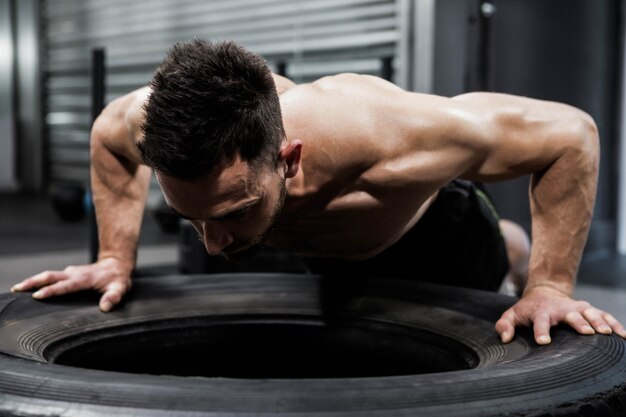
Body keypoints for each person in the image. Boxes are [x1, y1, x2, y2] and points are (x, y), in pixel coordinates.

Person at [12, 40, 626, 346]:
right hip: (310, 246)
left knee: (505, 253)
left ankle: (518, 256)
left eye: (232, 212)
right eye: (191, 220)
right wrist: (116, 257)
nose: (215, 243)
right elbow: (106, 140)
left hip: (430, 237)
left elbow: (570, 136)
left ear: (289, 160)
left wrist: (550, 286)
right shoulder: (155, 124)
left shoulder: (391, 137)